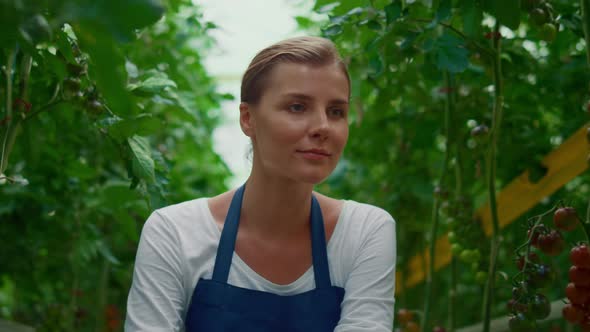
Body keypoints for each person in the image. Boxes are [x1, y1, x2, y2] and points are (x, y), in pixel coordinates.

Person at [124, 36, 397, 332]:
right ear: (247, 118)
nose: (322, 127)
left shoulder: (365, 231)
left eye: (336, 111)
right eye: (297, 107)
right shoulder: (174, 233)